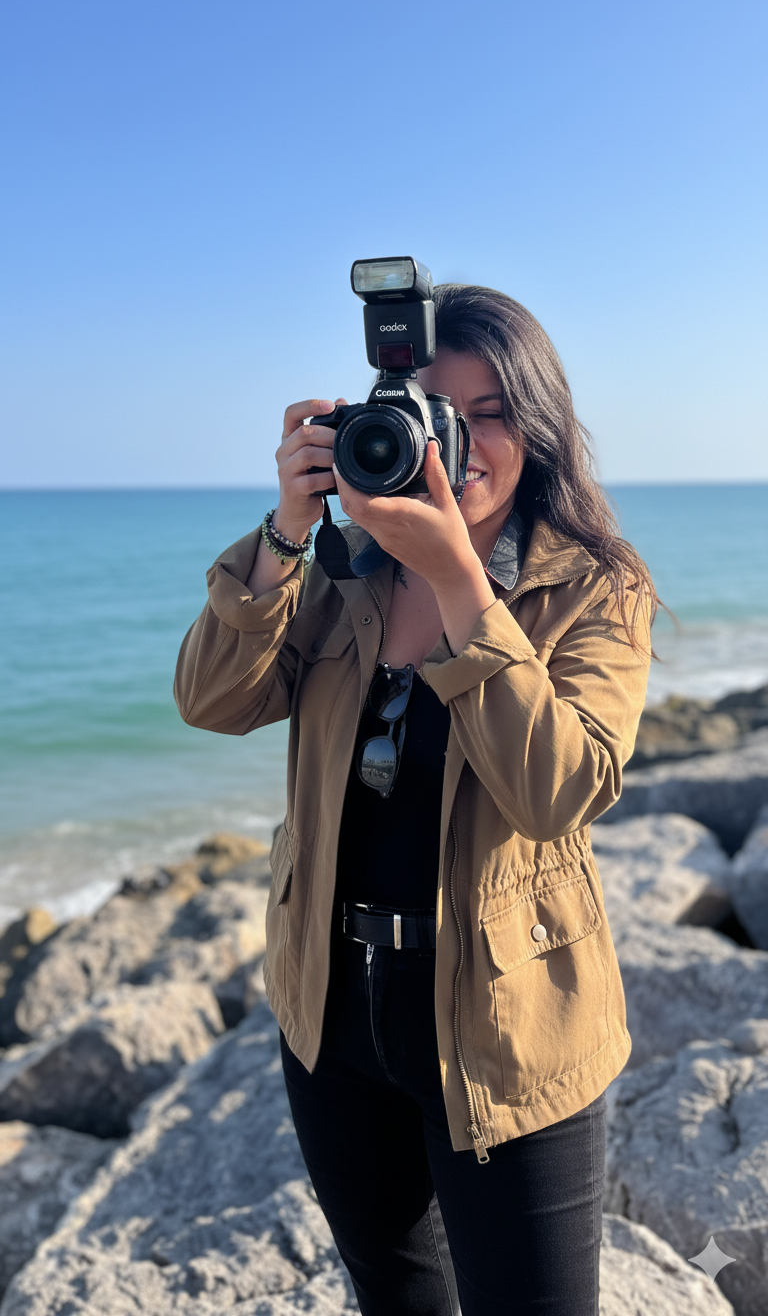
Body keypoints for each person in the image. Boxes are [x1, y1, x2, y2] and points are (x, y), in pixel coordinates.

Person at [174, 282, 656, 1315]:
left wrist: (460, 586)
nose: (462, 444)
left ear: (539, 430)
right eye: (441, 414)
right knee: (396, 1298)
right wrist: (286, 532)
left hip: (508, 1019)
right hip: (333, 1008)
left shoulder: (594, 588)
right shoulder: (343, 571)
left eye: (491, 414)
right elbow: (212, 700)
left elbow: (561, 790)